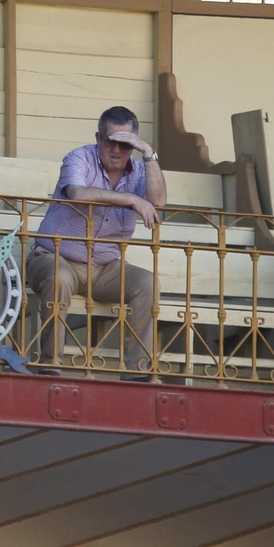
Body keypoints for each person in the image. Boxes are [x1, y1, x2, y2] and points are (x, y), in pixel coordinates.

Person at [27, 104, 166, 378]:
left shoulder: (140, 170)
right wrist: (131, 199)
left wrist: (148, 152)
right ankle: (51, 365)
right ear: (98, 138)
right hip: (56, 256)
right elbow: (78, 193)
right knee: (60, 277)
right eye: (110, 141)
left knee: (147, 283)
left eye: (126, 144)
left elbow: (158, 201)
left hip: (104, 268)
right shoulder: (79, 157)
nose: (116, 150)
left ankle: (137, 372)